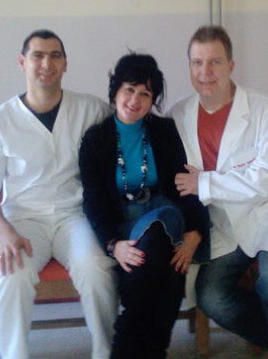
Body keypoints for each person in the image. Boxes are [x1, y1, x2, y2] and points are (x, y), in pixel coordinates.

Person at [0, 29, 118, 359]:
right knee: (9, 276)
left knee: (97, 269)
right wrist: (4, 234)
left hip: (74, 216)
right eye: (38, 56)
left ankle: (106, 352)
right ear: (22, 62)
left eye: (55, 56)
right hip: (22, 219)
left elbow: (126, 135)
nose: (47, 63)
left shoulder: (90, 109)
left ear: (65, 64)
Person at [168, 25, 268, 358]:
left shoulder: (264, 109)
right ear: (189, 66)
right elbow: (176, 182)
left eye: (215, 62)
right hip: (220, 224)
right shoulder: (177, 114)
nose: (205, 72)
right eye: (197, 62)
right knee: (211, 295)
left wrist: (206, 183)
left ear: (231, 65)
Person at [79, 53, 210, 359]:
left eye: (145, 94)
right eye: (129, 89)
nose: (135, 100)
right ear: (115, 91)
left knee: (156, 246)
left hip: (165, 214)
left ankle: (122, 351)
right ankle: (154, 352)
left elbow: (186, 184)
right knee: (168, 275)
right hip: (123, 222)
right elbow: (94, 201)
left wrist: (195, 232)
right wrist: (113, 244)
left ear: (153, 101)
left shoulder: (165, 131)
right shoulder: (95, 139)